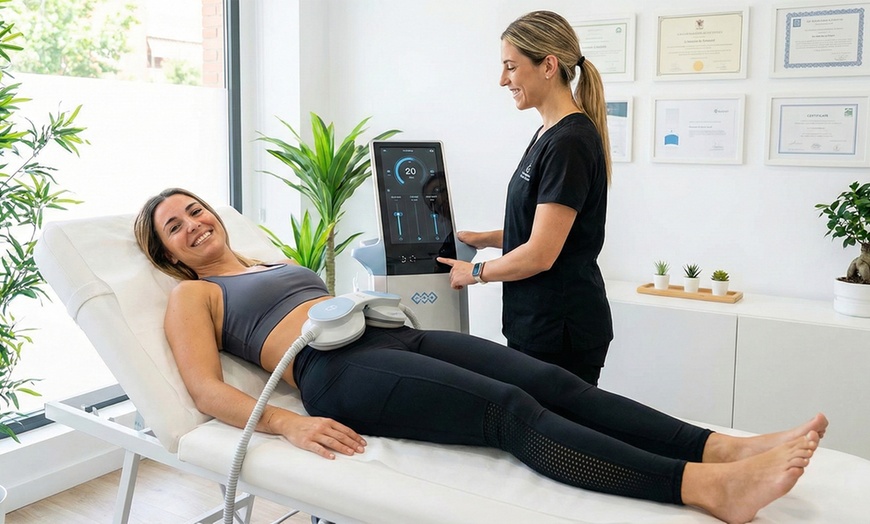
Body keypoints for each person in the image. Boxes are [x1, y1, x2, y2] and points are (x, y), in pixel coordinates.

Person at [134, 187, 827, 524]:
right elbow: (203, 390)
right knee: (508, 410)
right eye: (174, 226)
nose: (193, 224)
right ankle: (702, 487)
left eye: (195, 211)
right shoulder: (193, 296)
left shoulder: (270, 260)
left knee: (553, 382)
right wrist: (290, 423)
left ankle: (720, 448)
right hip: (337, 372)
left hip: (389, 335)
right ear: (166, 252)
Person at [437, 11, 613, 385]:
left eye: (511, 67)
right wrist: (484, 239)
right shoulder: (547, 133)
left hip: (560, 332)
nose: (503, 80)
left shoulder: (569, 142)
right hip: (535, 324)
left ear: (548, 65)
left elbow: (541, 253)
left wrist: (475, 273)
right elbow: (544, 231)